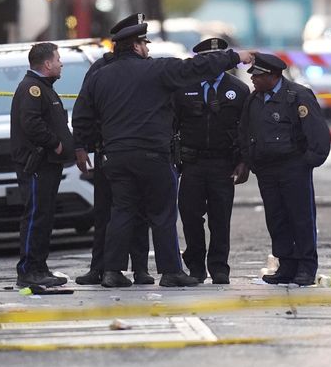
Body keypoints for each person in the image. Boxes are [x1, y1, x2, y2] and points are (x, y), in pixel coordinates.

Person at [73, 15, 254, 288]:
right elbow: (196, 66)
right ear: (135, 46)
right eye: (144, 43)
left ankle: (111, 271)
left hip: (116, 156)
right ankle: (171, 271)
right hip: (152, 156)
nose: (147, 48)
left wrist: (82, 146)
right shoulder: (156, 70)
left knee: (122, 212)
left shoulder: (100, 75)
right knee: (162, 213)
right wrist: (235, 57)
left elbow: (83, 113)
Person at [238, 53, 330, 286]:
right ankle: (286, 265)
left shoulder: (297, 96)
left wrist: (307, 162)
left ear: (274, 75)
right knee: (276, 218)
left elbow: (317, 133)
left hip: (293, 167)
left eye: (258, 76)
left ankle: (306, 267)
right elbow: (245, 132)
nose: (253, 80)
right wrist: (251, 161)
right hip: (267, 169)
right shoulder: (254, 100)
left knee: (300, 217)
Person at [75, 15, 152, 286]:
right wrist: (82, 146)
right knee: (105, 213)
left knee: (139, 212)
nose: (145, 47)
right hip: (106, 149)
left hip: (130, 150)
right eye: (142, 41)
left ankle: (140, 268)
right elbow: (84, 110)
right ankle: (100, 267)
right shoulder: (101, 68)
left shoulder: (146, 67)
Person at [173, 38, 250, 285]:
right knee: (190, 216)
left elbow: (245, 130)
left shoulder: (238, 89)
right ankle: (195, 266)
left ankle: (219, 267)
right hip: (192, 163)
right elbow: (171, 125)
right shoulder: (183, 88)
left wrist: (243, 161)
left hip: (223, 163)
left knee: (220, 218)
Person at [10, 43, 75, 288]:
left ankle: (39, 267)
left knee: (44, 216)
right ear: (47, 64)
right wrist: (55, 143)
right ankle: (28, 270)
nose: (61, 63)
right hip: (38, 163)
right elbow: (32, 123)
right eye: (58, 59)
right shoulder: (33, 89)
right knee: (36, 215)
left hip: (48, 164)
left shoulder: (43, 87)